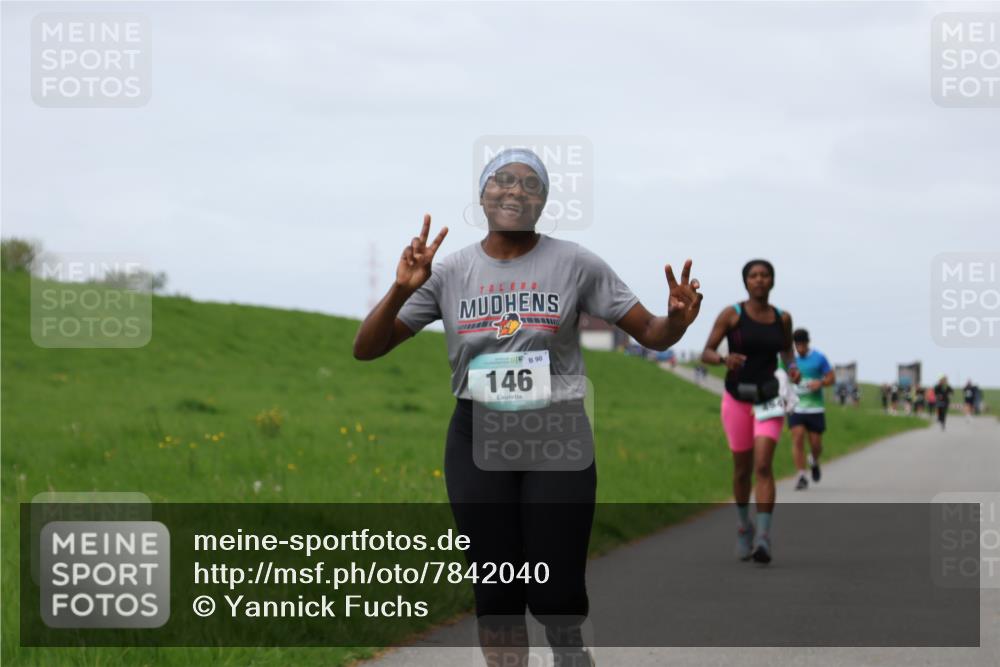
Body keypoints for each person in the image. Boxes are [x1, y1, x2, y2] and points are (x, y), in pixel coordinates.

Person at [352, 148, 703, 667]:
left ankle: (567, 645)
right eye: (502, 180)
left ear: (543, 202)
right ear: (482, 195)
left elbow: (652, 332)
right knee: (495, 588)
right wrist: (400, 290)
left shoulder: (575, 263)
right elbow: (367, 347)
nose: (515, 190)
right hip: (477, 433)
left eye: (529, 184)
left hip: (556, 433)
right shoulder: (449, 273)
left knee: (556, 584)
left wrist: (676, 321)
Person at [701, 259, 799, 564]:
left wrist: (792, 368)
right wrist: (723, 360)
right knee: (742, 469)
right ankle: (744, 526)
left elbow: (787, 350)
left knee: (763, 466)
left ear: (772, 281)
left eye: (764, 275)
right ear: (746, 282)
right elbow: (706, 352)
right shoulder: (732, 314)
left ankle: (763, 538)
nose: (759, 280)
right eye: (753, 275)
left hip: (769, 399)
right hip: (737, 398)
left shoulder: (783, 318)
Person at [787, 329, 834, 490]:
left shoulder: (819, 358)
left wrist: (820, 383)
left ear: (808, 342)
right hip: (796, 407)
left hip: (815, 408)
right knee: (798, 438)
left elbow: (831, 378)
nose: (800, 348)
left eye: (802, 345)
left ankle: (813, 460)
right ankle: (801, 475)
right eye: (797, 345)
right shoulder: (790, 359)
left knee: (816, 445)